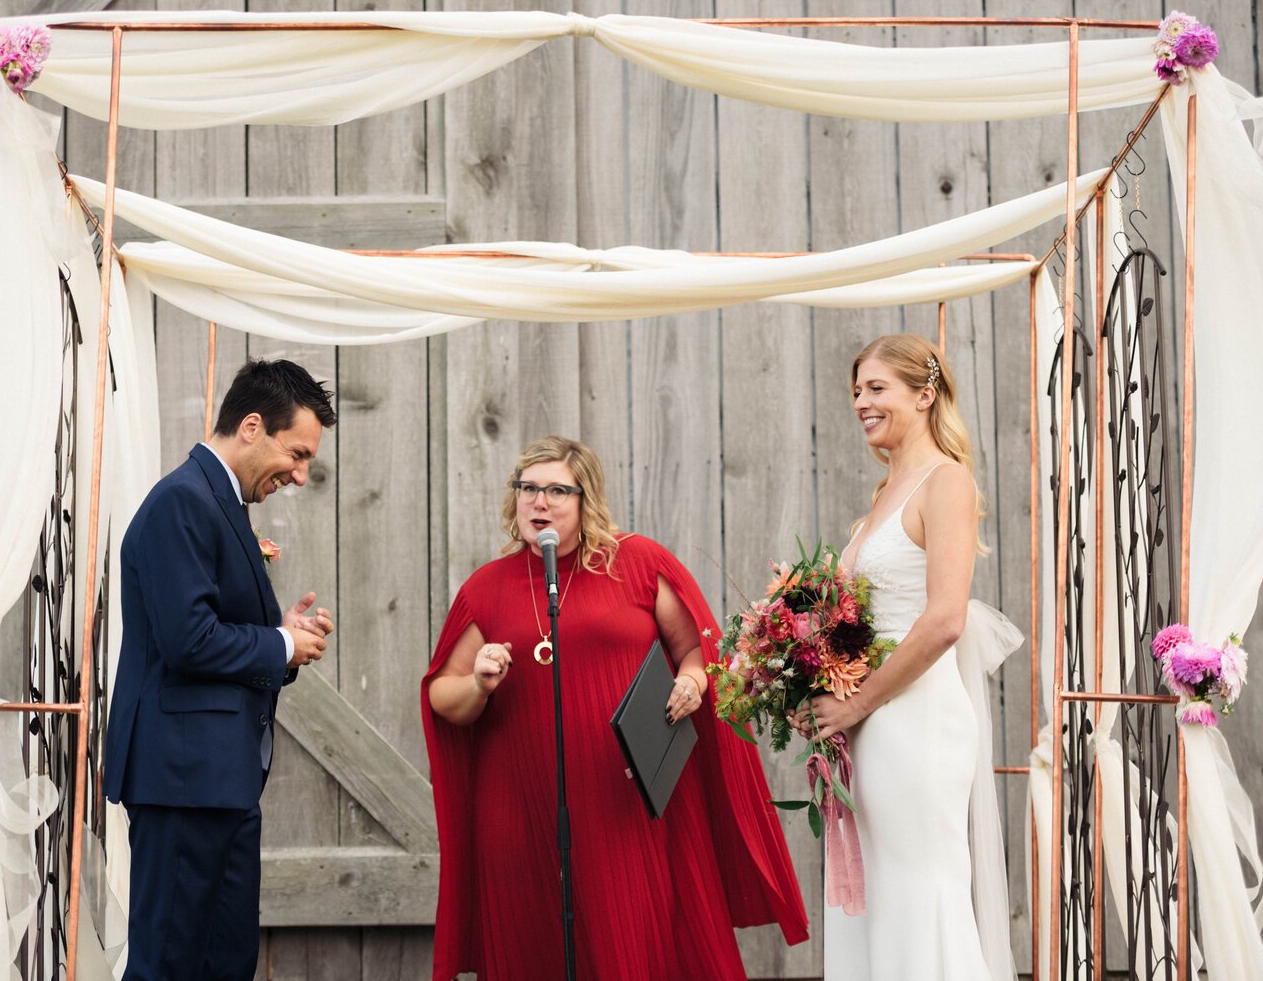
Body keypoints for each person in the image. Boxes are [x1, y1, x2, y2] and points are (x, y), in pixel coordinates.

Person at [422, 435, 808, 981]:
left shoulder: (638, 562)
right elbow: (444, 697)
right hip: (523, 806)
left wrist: (693, 683)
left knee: (634, 935)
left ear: (586, 500)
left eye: (557, 490)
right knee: (535, 944)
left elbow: (696, 649)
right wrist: (480, 683)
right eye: (528, 488)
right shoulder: (486, 587)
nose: (540, 502)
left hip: (624, 799)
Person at [789, 334, 1021, 981]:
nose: (861, 401)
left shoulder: (946, 481)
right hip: (868, 723)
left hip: (914, 720)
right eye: (856, 390)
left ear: (925, 394)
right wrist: (808, 663)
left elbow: (944, 618)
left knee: (921, 887)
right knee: (877, 893)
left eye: (876, 388)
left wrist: (857, 701)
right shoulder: (883, 494)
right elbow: (854, 619)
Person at [104, 359, 338, 981]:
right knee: (170, 964)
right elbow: (189, 642)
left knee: (223, 962)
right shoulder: (182, 501)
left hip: (218, 780)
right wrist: (281, 646)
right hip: (182, 780)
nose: (301, 473)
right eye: (297, 453)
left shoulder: (215, 500)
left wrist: (281, 634)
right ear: (253, 426)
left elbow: (206, 628)